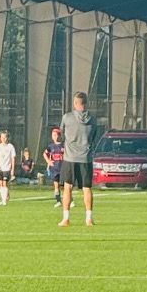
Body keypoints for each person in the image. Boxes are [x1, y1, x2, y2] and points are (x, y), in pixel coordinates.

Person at [59, 92, 98, 228]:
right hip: (85, 158)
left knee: (68, 187)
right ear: (86, 103)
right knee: (87, 188)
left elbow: (62, 134)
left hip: (70, 158)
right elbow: (93, 136)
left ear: (75, 103)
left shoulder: (67, 118)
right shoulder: (93, 119)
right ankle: (89, 218)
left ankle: (66, 219)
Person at [44, 127, 65, 205]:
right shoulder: (51, 146)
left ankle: (70, 200)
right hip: (54, 169)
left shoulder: (63, 146)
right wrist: (48, 161)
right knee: (56, 186)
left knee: (65, 186)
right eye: (53, 135)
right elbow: (45, 153)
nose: (54, 137)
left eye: (55, 135)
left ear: (59, 136)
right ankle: (58, 201)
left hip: (62, 168)